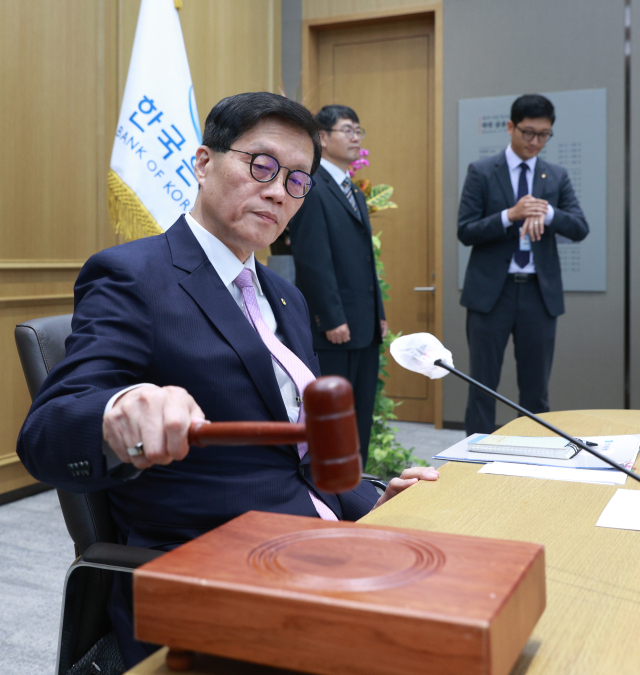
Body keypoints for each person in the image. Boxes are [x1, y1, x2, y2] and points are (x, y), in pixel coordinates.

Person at [16, 92, 438, 668]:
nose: (276, 191)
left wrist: (373, 502)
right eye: (260, 165)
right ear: (203, 162)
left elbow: (299, 451)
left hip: (322, 551)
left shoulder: (285, 296)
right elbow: (49, 430)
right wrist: (122, 409)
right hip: (214, 575)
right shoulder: (134, 276)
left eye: (296, 181)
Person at [458, 94, 589, 436]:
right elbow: (465, 231)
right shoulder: (483, 171)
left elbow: (580, 228)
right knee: (482, 387)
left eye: (543, 135)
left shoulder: (556, 176)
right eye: (528, 133)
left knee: (536, 392)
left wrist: (547, 212)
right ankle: (471, 464)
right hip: (490, 296)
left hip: (538, 296)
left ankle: (535, 461)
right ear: (510, 127)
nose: (535, 142)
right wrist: (509, 215)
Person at [288, 105, 386, 467]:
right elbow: (313, 260)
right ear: (323, 138)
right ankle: (330, 488)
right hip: (335, 327)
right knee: (335, 417)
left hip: (363, 324)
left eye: (359, 131)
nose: (356, 138)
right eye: (348, 130)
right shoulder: (312, 188)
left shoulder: (353, 190)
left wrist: (379, 313)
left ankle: (355, 485)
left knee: (360, 414)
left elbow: (364, 260)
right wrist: (330, 318)